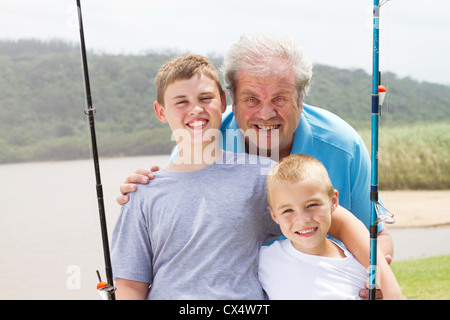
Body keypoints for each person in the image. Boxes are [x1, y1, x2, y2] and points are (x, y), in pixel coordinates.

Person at [111, 54, 382, 300]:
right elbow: (130, 284)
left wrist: (378, 285)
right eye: (181, 102)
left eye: (205, 99)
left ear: (223, 102)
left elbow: (338, 222)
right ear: (161, 112)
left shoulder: (261, 175)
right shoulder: (143, 191)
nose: (195, 110)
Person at [259, 154, 403, 300]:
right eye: (287, 210)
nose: (302, 220)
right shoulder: (263, 260)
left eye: (312, 205)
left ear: (333, 201)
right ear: (274, 215)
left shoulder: (362, 272)